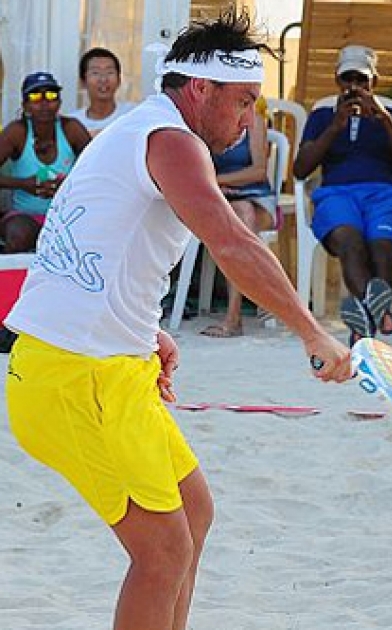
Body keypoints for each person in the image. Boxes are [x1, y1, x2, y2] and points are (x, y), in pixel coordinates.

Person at [4, 9, 351, 630]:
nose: (248, 121)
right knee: (163, 551)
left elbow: (88, 241)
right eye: (243, 102)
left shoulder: (138, 129)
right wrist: (312, 331)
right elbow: (234, 244)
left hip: (103, 365)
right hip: (72, 378)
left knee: (194, 515)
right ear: (200, 89)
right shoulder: (171, 140)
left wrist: (144, 328)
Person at [293, 44, 392, 344]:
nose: (354, 87)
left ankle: (364, 323)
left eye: (361, 80)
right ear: (337, 81)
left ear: (374, 81)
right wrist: (335, 127)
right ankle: (380, 315)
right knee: (350, 242)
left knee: (381, 247)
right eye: (347, 80)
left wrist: (384, 119)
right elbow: (300, 170)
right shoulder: (324, 112)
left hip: (383, 193)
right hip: (336, 194)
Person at [202, 102, 278, 338]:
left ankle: (234, 317)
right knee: (241, 215)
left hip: (256, 198)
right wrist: (216, 187)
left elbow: (258, 171)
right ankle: (263, 290)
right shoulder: (206, 123)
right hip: (218, 199)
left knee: (244, 213)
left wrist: (218, 180)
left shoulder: (254, 121)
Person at [0, 72, 91, 253]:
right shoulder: (17, 132)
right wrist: (23, 184)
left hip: (68, 216)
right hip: (26, 216)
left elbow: (98, 170)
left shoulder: (71, 128)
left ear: (59, 102)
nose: (44, 103)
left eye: (51, 95)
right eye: (35, 96)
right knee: (18, 235)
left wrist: (68, 183)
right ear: (25, 105)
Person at [69, 48, 137, 136]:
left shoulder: (132, 114)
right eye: (95, 73)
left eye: (110, 72)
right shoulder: (73, 123)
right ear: (83, 82)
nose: (103, 79)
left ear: (119, 80)